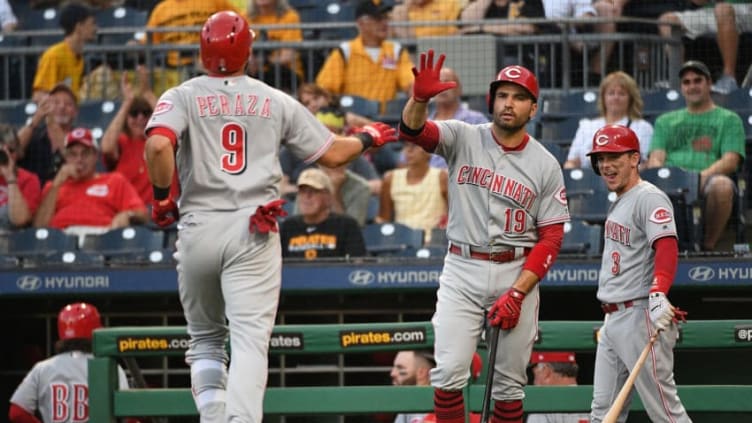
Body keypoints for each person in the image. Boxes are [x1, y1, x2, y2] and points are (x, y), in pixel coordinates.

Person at [144, 11, 397, 422]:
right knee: (248, 342)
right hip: (251, 227)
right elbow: (333, 154)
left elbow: (157, 148)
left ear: (203, 50)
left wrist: (159, 199)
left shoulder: (181, 95)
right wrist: (368, 137)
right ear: (247, 49)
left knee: (205, 339)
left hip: (198, 226)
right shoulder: (273, 98)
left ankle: (213, 416)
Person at [398, 49, 570, 423]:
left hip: (516, 268)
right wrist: (419, 99)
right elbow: (413, 131)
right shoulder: (463, 136)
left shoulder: (545, 163)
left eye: (519, 96)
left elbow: (552, 238)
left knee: (509, 387)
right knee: (447, 375)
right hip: (462, 267)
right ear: (492, 100)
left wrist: (518, 292)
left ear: (533, 108)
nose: (509, 103)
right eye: (503, 95)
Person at [585, 124, 690, 423]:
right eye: (600, 158)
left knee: (666, 413)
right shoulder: (620, 200)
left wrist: (658, 292)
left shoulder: (649, 197)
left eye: (614, 156)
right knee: (602, 414)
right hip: (613, 319)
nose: (606, 165)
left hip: (639, 316)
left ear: (634, 158)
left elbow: (667, 246)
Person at [647, 60, 745, 251]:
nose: (692, 86)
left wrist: (698, 178)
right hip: (672, 182)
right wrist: (667, 176)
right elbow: (656, 158)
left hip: (708, 180)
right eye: (687, 82)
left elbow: (731, 160)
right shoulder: (665, 121)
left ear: (709, 83)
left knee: (722, 186)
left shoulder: (729, 119)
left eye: (697, 80)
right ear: (682, 88)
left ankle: (707, 245)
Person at [8, 302, 131, 423]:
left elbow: (17, 413)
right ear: (95, 333)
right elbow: (130, 414)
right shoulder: (108, 367)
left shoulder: (42, 368)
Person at [33, 127, 148, 242]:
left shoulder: (114, 181)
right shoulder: (53, 187)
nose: (79, 159)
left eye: (85, 153)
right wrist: (57, 184)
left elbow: (142, 214)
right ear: (66, 158)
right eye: (73, 154)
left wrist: (128, 215)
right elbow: (39, 228)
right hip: (60, 239)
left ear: (95, 156)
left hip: (100, 237)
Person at [315, 0, 415, 112]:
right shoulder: (345, 51)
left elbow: (410, 83)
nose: (384, 23)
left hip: (384, 121)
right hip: (353, 121)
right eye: (377, 19)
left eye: (385, 18)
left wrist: (418, 91)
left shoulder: (396, 51)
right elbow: (324, 89)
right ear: (360, 23)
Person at [100, 67, 180, 205]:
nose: (140, 118)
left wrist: (148, 94)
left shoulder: (163, 140)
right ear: (127, 117)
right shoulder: (122, 142)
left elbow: (175, 128)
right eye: (134, 113)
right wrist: (127, 102)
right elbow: (106, 148)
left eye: (145, 112)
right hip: (131, 213)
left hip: (166, 212)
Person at [564, 71, 653, 169]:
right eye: (611, 93)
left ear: (631, 99)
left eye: (622, 94)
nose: (616, 97)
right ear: (603, 97)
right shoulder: (586, 126)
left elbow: (644, 164)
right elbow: (572, 162)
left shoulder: (642, 127)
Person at [658, 0, 752, 93]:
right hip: (709, 12)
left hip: (745, 10)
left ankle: (729, 78)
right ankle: (683, 78)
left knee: (722, 9)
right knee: (666, 20)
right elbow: (698, 2)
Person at [280, 167, 366, 259]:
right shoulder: (288, 227)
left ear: (328, 197)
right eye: (302, 192)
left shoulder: (346, 226)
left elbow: (357, 264)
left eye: (313, 191)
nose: (307, 197)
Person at [377, 142, 448, 242]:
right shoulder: (390, 178)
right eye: (406, 145)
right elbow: (384, 219)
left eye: (415, 146)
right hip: (400, 242)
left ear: (429, 151)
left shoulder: (442, 177)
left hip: (434, 242)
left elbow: (454, 217)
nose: (409, 150)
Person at [31, 2, 98, 103]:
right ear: (79, 26)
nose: (95, 29)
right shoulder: (54, 55)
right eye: (92, 23)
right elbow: (39, 94)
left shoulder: (78, 57)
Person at [17, 83, 79, 186]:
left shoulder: (80, 138)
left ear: (76, 112)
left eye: (68, 104)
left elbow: (71, 156)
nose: (62, 107)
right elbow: (12, 151)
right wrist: (36, 118)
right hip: (33, 196)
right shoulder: (33, 134)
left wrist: (51, 122)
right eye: (56, 102)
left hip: (67, 195)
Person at [245, 0, 304, 92]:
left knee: (273, 73)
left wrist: (264, 62)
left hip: (284, 71)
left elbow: (286, 57)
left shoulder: (290, 16)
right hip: (254, 70)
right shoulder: (245, 17)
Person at [526, 351, 589, 423]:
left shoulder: (543, 406)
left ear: (546, 372)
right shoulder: (593, 398)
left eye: (535, 375)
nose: (534, 382)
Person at [0, 124, 41, 232]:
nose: (7, 155)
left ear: (18, 152)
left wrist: (10, 178)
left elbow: (20, 220)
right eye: (2, 152)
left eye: (11, 150)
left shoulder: (29, 179)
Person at [390, 350, 436, 423]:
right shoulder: (407, 406)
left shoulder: (443, 402)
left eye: (400, 368)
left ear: (422, 372)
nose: (392, 373)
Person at [389, 0, 461, 39]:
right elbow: (391, 35)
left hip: (440, 50)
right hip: (411, 53)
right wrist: (405, 7)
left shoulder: (449, 3)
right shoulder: (402, 8)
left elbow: (453, 34)